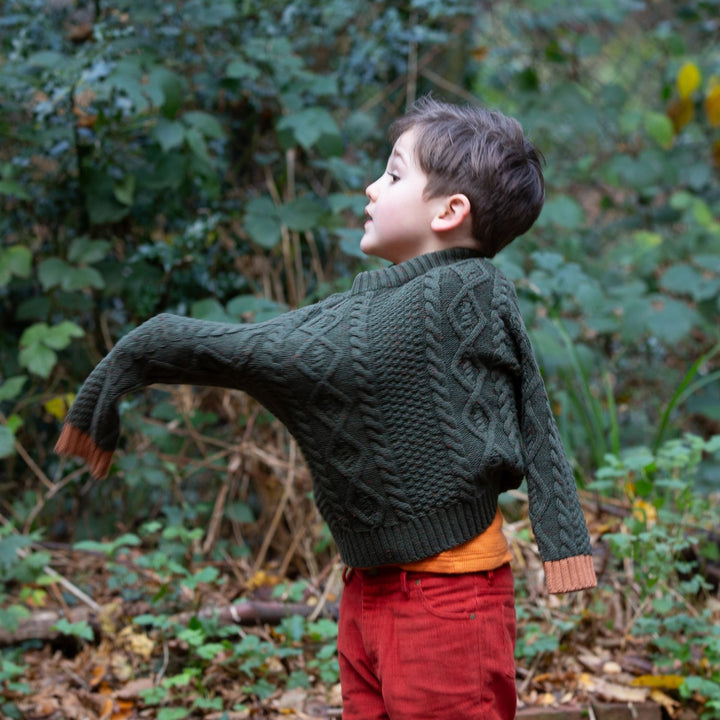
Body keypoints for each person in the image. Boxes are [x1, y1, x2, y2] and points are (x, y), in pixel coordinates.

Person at [55, 96, 596, 720]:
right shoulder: (372, 307)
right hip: (367, 589)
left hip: (447, 596)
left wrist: (153, 345)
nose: (371, 186)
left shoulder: (464, 290)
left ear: (451, 211)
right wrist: (144, 353)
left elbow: (534, 414)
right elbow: (300, 345)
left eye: (393, 175)